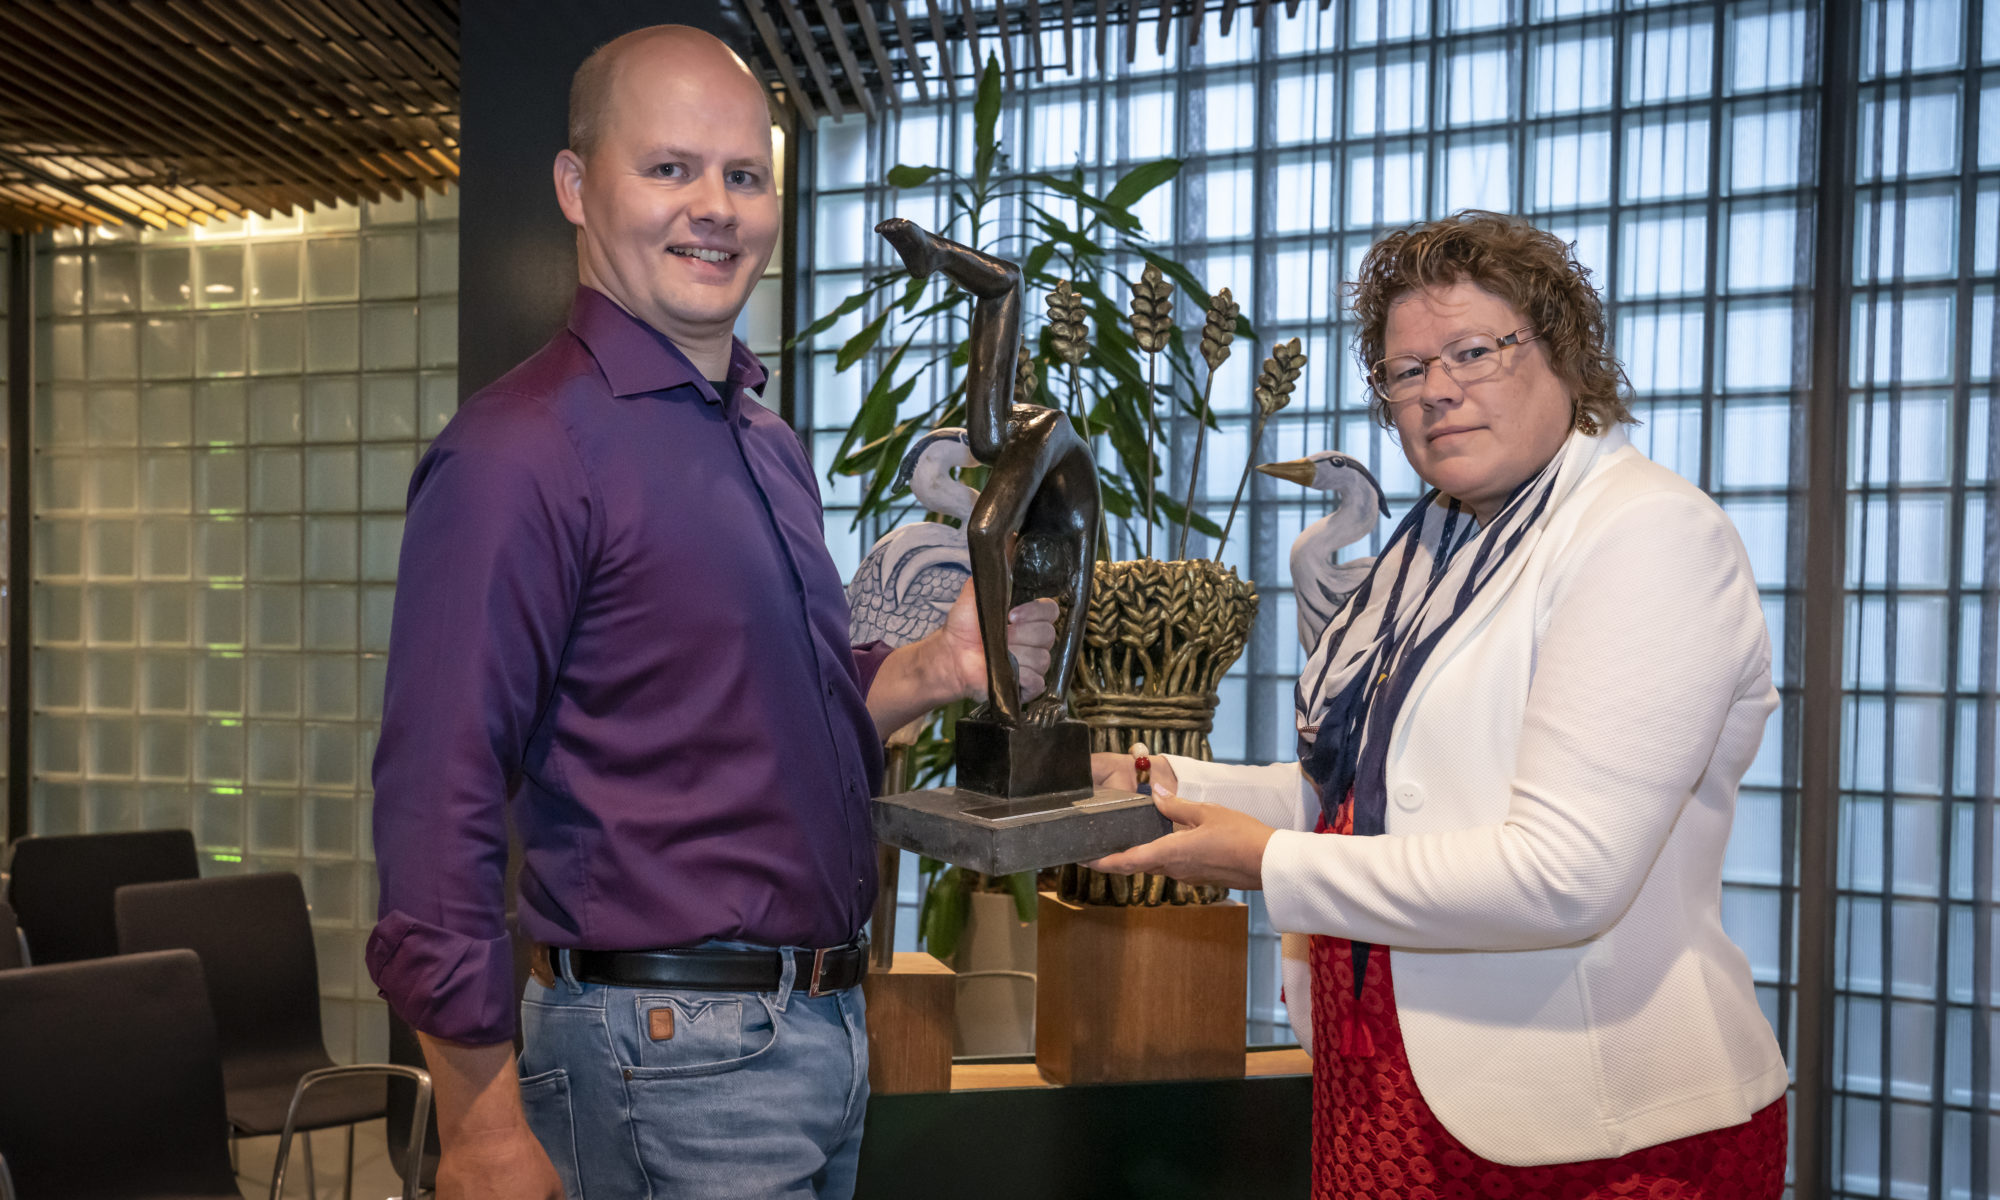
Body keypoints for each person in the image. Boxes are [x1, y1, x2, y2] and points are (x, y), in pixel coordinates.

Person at [365, 26, 1057, 1200]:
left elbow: (770, 732)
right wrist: (480, 1128)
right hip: (663, 1061)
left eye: (742, 176)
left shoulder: (762, 441)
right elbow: (437, 801)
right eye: (670, 169)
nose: (715, 208)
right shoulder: (519, 451)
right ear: (577, 188)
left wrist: (937, 666)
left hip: (815, 1041)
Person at [1091, 211, 1788, 1199]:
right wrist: (1161, 781)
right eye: (1403, 370)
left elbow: (1564, 874)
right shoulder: (1433, 544)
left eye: (1472, 351)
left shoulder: (1646, 536)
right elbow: (1378, 793)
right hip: (1387, 1090)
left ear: (1562, 351)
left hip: (1589, 1135)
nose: (1437, 392)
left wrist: (1265, 864)